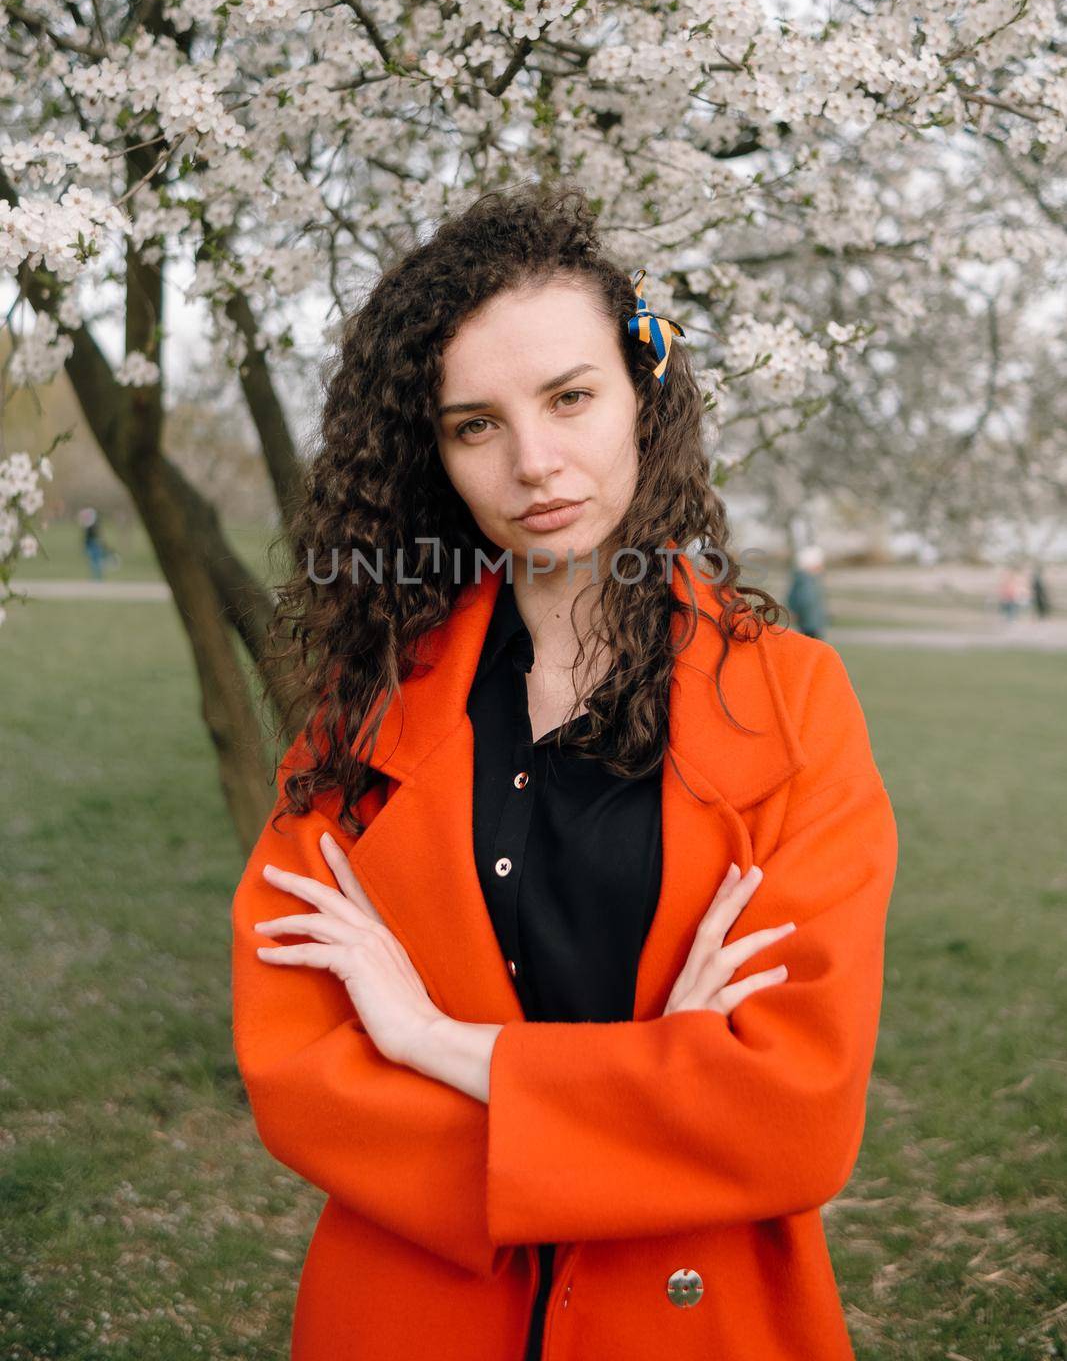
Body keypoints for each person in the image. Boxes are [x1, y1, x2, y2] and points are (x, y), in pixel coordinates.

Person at [230, 182, 897, 1361]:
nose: (533, 461)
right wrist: (660, 1090)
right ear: (432, 453)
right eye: (473, 423)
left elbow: (792, 1117)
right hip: (407, 1312)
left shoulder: (793, 702)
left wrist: (434, 1041)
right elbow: (298, 1067)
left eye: (571, 397)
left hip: (697, 1316)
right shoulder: (363, 710)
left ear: (642, 397)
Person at [786, 544, 828, 639]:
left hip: (809, 623)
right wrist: (811, 621)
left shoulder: (802, 579)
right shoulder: (807, 581)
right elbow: (806, 601)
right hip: (810, 625)